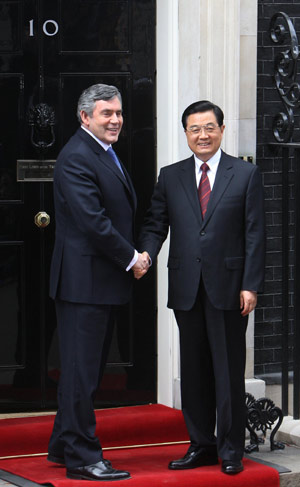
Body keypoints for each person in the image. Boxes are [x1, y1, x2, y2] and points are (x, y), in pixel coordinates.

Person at [135, 100, 265, 475]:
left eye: (209, 127)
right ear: (186, 134)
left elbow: (255, 234)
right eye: (194, 129)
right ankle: (201, 445)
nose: (202, 135)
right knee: (193, 373)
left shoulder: (244, 175)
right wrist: (145, 254)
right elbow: (156, 223)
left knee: (227, 372)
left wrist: (251, 285)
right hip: (187, 288)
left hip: (229, 288)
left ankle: (230, 450)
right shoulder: (170, 175)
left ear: (222, 130)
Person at [47, 83, 150, 481]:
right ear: (85, 116)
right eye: (106, 113)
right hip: (83, 284)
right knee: (81, 373)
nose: (116, 120)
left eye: (119, 113)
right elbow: (93, 221)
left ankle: (61, 445)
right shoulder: (76, 156)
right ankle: (82, 457)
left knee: (82, 371)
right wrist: (132, 258)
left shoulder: (101, 151)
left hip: (97, 284)